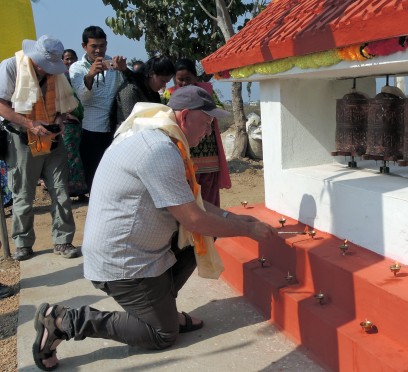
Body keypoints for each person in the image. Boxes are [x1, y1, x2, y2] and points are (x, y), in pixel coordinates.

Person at [31, 86, 277, 370]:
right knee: (162, 335)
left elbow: (190, 201)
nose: (210, 132)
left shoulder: (156, 134)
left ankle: (163, 309)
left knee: (207, 233)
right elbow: (193, 218)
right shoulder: (160, 149)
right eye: (207, 123)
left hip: (137, 248)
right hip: (123, 263)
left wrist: (231, 217)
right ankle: (64, 321)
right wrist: (247, 230)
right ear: (184, 117)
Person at [0, 35, 80, 261]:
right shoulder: (10, 67)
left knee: (61, 190)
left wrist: (61, 120)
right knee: (23, 194)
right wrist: (30, 124)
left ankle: (63, 240)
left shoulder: (56, 73)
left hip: (53, 137)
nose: (47, 70)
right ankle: (23, 243)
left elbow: (62, 103)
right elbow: (1, 104)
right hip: (21, 137)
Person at [69, 26, 132, 192]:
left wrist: (125, 70)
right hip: (92, 130)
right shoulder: (77, 68)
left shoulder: (113, 63)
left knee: (118, 177)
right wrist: (90, 75)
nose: (98, 50)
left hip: (115, 130)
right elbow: (83, 98)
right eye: (94, 46)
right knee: (94, 179)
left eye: (102, 46)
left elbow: (129, 90)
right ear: (84, 46)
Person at [165, 59, 231, 206]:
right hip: (186, 150)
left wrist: (205, 117)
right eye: (180, 80)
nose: (183, 83)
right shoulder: (169, 94)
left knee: (208, 193)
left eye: (187, 79)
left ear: (195, 77)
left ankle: (213, 223)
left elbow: (219, 106)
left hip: (208, 153)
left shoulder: (206, 91)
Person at [109, 55, 174, 130]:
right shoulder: (130, 90)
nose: (164, 85)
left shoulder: (153, 94)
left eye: (167, 82)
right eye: (163, 81)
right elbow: (131, 123)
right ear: (151, 73)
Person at [61, 50, 88, 202]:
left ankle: (76, 191)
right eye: (66, 59)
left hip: (70, 125)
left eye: (72, 59)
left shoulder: (69, 78)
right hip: (70, 124)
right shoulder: (66, 77)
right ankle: (77, 191)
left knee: (71, 158)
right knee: (72, 157)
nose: (69, 61)